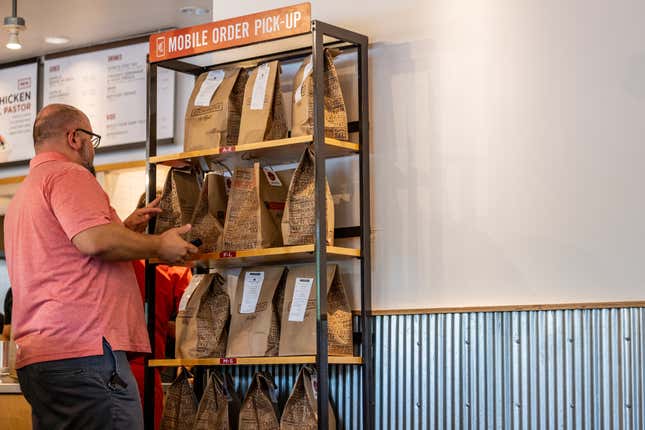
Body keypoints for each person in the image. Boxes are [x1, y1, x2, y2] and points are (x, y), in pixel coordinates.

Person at [3, 103, 199, 430]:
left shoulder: (26, 192)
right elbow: (95, 241)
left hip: (41, 358)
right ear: (75, 137)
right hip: (85, 353)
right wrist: (159, 245)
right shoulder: (69, 174)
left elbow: (73, 252)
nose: (91, 151)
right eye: (91, 140)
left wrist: (124, 228)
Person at [129, 192, 192, 429]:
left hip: (96, 369)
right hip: (144, 370)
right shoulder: (172, 269)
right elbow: (191, 323)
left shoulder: (113, 255)